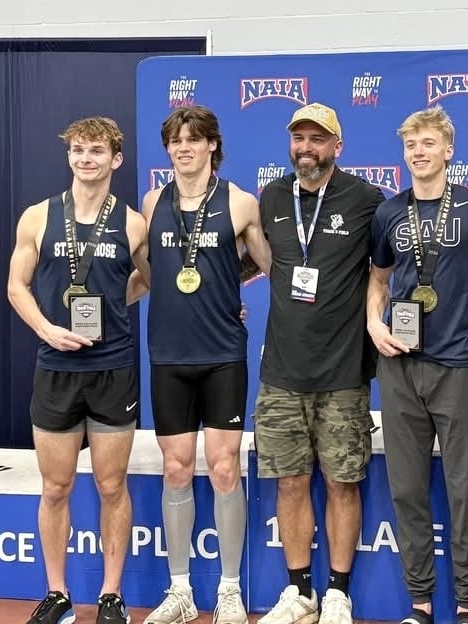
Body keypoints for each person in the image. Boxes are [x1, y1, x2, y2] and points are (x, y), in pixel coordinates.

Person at [130, 105, 270, 624]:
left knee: (226, 467)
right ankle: (181, 590)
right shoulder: (152, 201)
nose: (183, 148)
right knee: (175, 467)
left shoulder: (240, 202)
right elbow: (150, 269)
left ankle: (230, 590)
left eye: (194, 139)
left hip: (222, 355)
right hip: (168, 354)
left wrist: (227, 286)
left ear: (213, 145)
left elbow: (268, 263)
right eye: (175, 141)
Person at [7, 117, 150, 624]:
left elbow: (148, 280)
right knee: (56, 487)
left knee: (112, 486)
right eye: (78, 150)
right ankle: (58, 595)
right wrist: (47, 329)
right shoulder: (38, 217)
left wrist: (114, 305)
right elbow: (16, 286)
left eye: (97, 151)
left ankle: (111, 596)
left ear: (116, 160)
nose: (86, 158)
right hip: (55, 367)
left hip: (112, 368)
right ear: (69, 156)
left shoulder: (133, 223)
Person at [366, 106, 468, 624]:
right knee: (406, 489)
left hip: (459, 365)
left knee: (464, 490)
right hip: (399, 366)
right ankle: (419, 604)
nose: (418, 153)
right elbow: (378, 282)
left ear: (448, 150)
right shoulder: (389, 212)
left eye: (427, 143)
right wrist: (375, 325)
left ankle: (467, 605)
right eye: (410, 146)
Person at [254, 103, 385, 624]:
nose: (306, 148)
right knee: (289, 481)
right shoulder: (270, 198)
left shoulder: (367, 200)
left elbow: (405, 255)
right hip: (282, 373)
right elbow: (246, 257)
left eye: (317, 139)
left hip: (343, 373)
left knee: (342, 482)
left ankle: (338, 592)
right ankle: (298, 590)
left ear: (337, 146)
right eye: (299, 139)